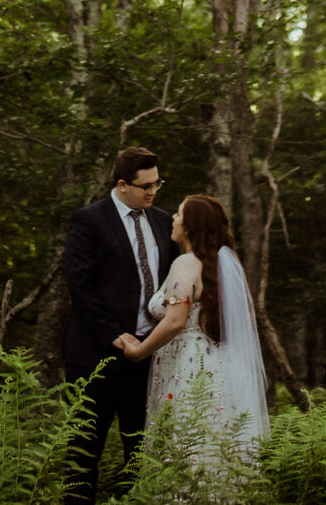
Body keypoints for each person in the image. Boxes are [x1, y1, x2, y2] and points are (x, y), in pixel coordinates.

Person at [113, 193, 271, 468]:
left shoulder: (186, 264)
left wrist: (139, 352)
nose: (172, 219)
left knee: (185, 442)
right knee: (210, 441)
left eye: (178, 214)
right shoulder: (220, 266)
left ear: (190, 226)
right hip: (216, 363)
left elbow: (175, 320)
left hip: (188, 367)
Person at [61, 146, 175, 505]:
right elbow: (79, 283)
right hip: (95, 354)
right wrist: (112, 334)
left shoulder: (163, 220)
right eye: (146, 186)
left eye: (157, 183)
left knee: (139, 449)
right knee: (84, 447)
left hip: (147, 355)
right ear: (123, 184)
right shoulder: (90, 219)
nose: (153, 191)